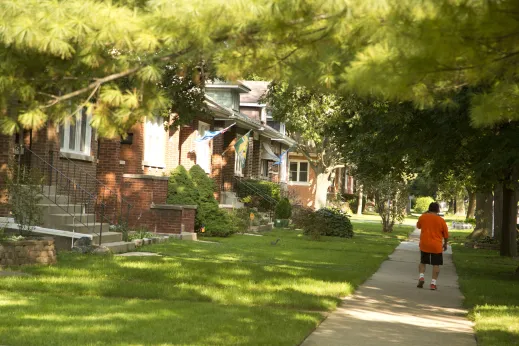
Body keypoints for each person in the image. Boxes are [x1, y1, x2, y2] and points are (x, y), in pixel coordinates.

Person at [416, 202, 449, 290]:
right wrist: (445, 244)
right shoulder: (441, 220)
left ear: (429, 209)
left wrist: (425, 214)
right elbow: (446, 234)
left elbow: (418, 226)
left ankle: (421, 277)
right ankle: (433, 283)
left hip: (424, 244)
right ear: (438, 210)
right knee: (436, 264)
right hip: (436, 245)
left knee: (423, 262)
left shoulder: (423, 217)